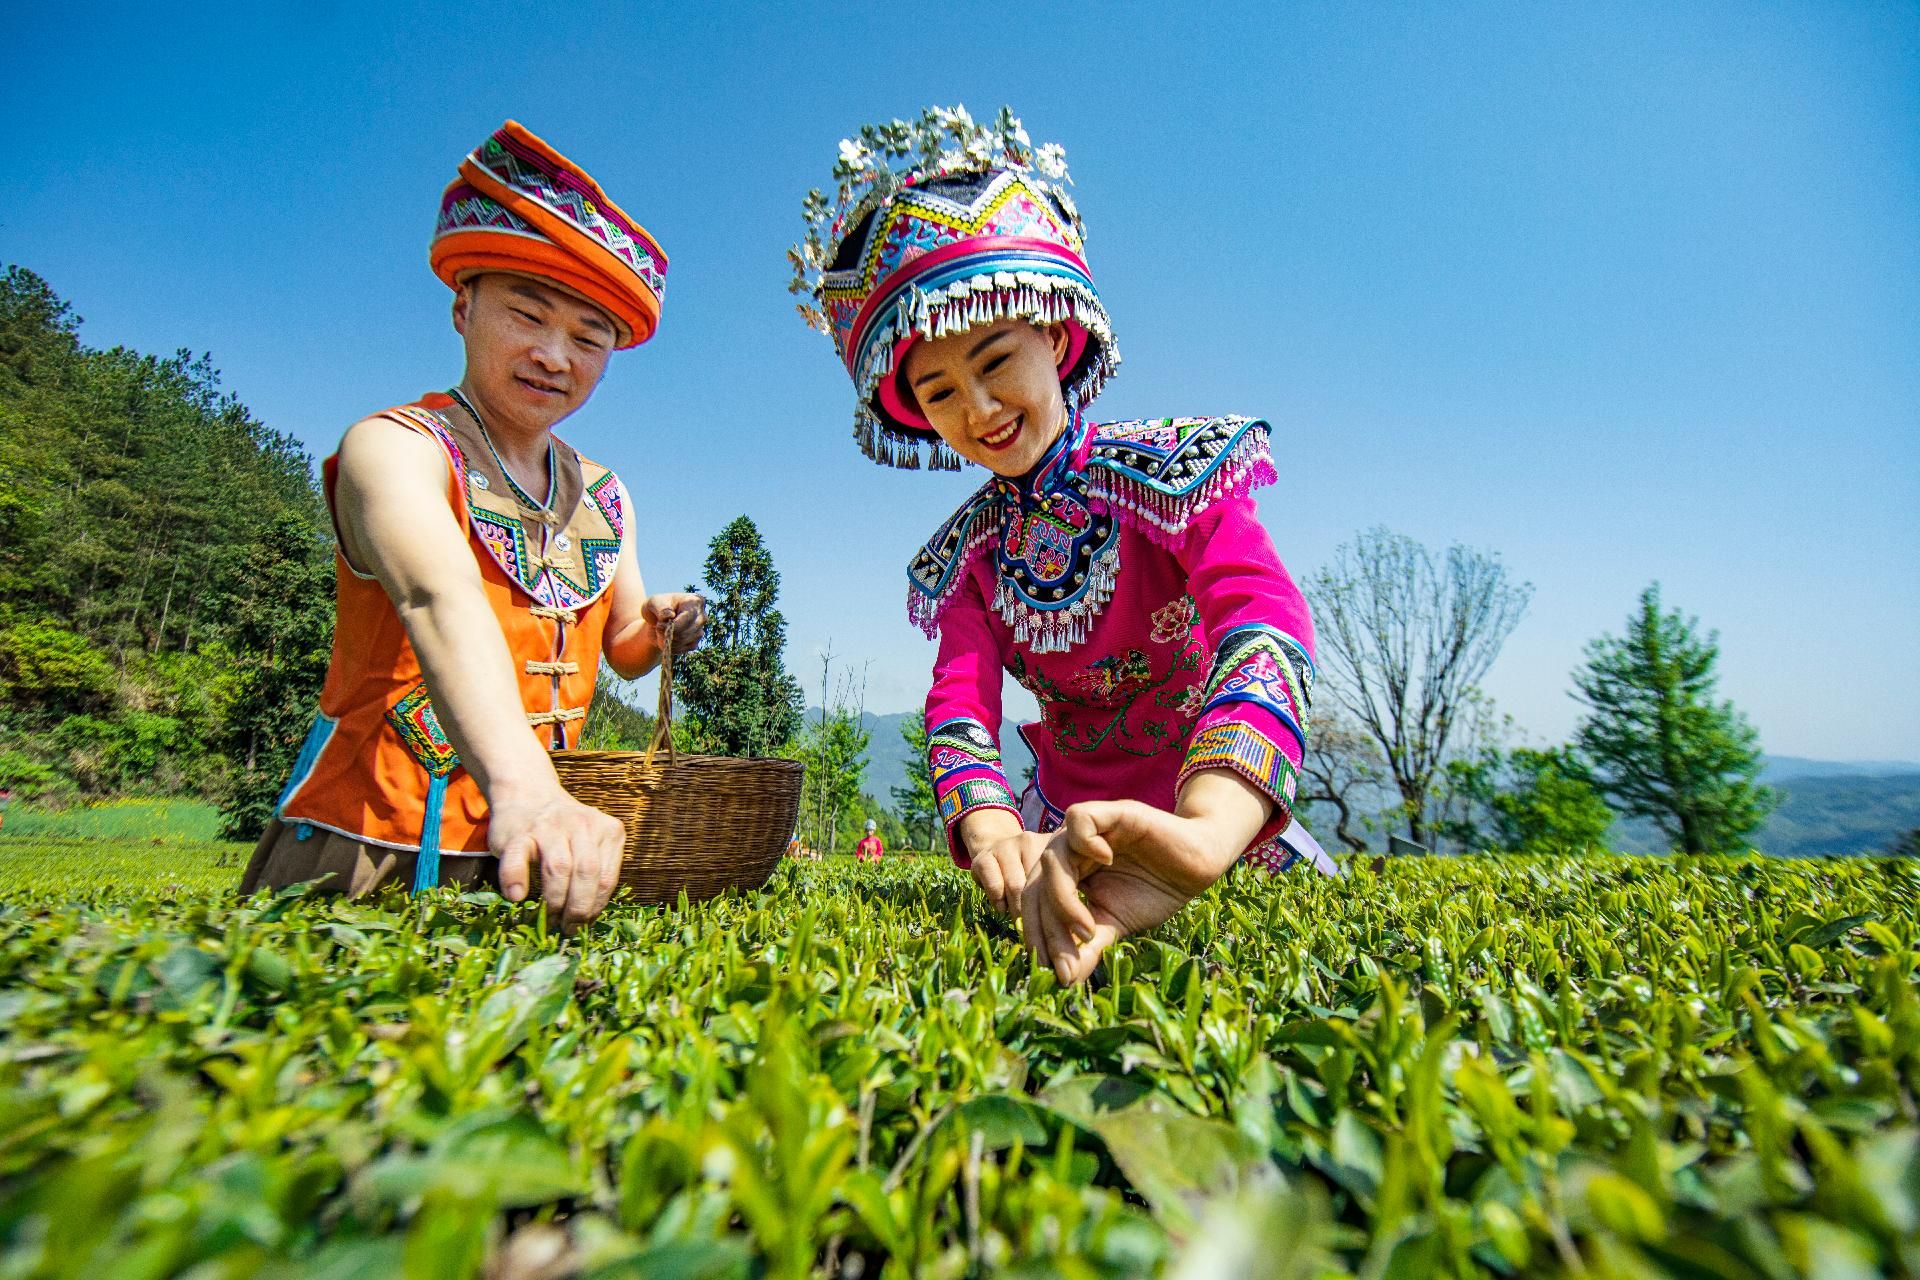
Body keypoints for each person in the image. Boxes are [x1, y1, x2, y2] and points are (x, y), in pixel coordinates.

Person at [790, 106, 1335, 985]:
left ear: (1052, 334)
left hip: (1221, 806)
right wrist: (992, 830)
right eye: (938, 391)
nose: (977, 409)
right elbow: (960, 703)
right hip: (1062, 833)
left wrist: (1207, 827)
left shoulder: (1174, 474)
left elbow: (1266, 621)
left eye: (996, 359)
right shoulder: (968, 558)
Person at [239, 121, 705, 929]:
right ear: (463, 307)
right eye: (528, 315)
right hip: (367, 842)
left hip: (533, 853)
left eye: (588, 339)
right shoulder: (394, 448)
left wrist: (666, 623)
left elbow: (623, 647)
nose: (555, 356)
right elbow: (436, 595)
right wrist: (525, 788)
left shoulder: (605, 493)